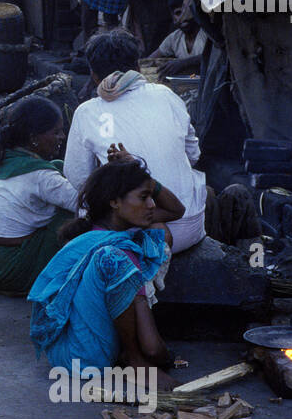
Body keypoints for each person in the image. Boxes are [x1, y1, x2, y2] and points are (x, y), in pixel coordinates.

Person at [28, 156, 184, 383]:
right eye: (144, 197)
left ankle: (127, 351)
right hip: (83, 361)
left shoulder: (95, 232)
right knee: (115, 258)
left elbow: (176, 210)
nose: (152, 204)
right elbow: (153, 349)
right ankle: (132, 358)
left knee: (157, 233)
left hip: (65, 351)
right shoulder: (115, 250)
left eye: (151, 196)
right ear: (114, 202)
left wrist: (141, 175)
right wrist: (163, 357)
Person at [64, 30, 208, 253]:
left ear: (93, 75)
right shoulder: (167, 95)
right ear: (138, 67)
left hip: (138, 232)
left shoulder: (87, 111)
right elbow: (194, 155)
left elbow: (78, 177)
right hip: (191, 226)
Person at [0, 96, 79, 295]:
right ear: (34, 137)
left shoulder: (2, 157)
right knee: (74, 215)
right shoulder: (41, 177)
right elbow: (86, 203)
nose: (62, 137)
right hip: (12, 270)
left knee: (58, 167)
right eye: (56, 132)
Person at [146, 0, 207, 77]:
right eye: (178, 13)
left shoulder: (206, 34)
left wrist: (183, 63)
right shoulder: (174, 38)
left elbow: (212, 57)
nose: (184, 17)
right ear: (174, 19)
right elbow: (150, 60)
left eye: (187, 12)